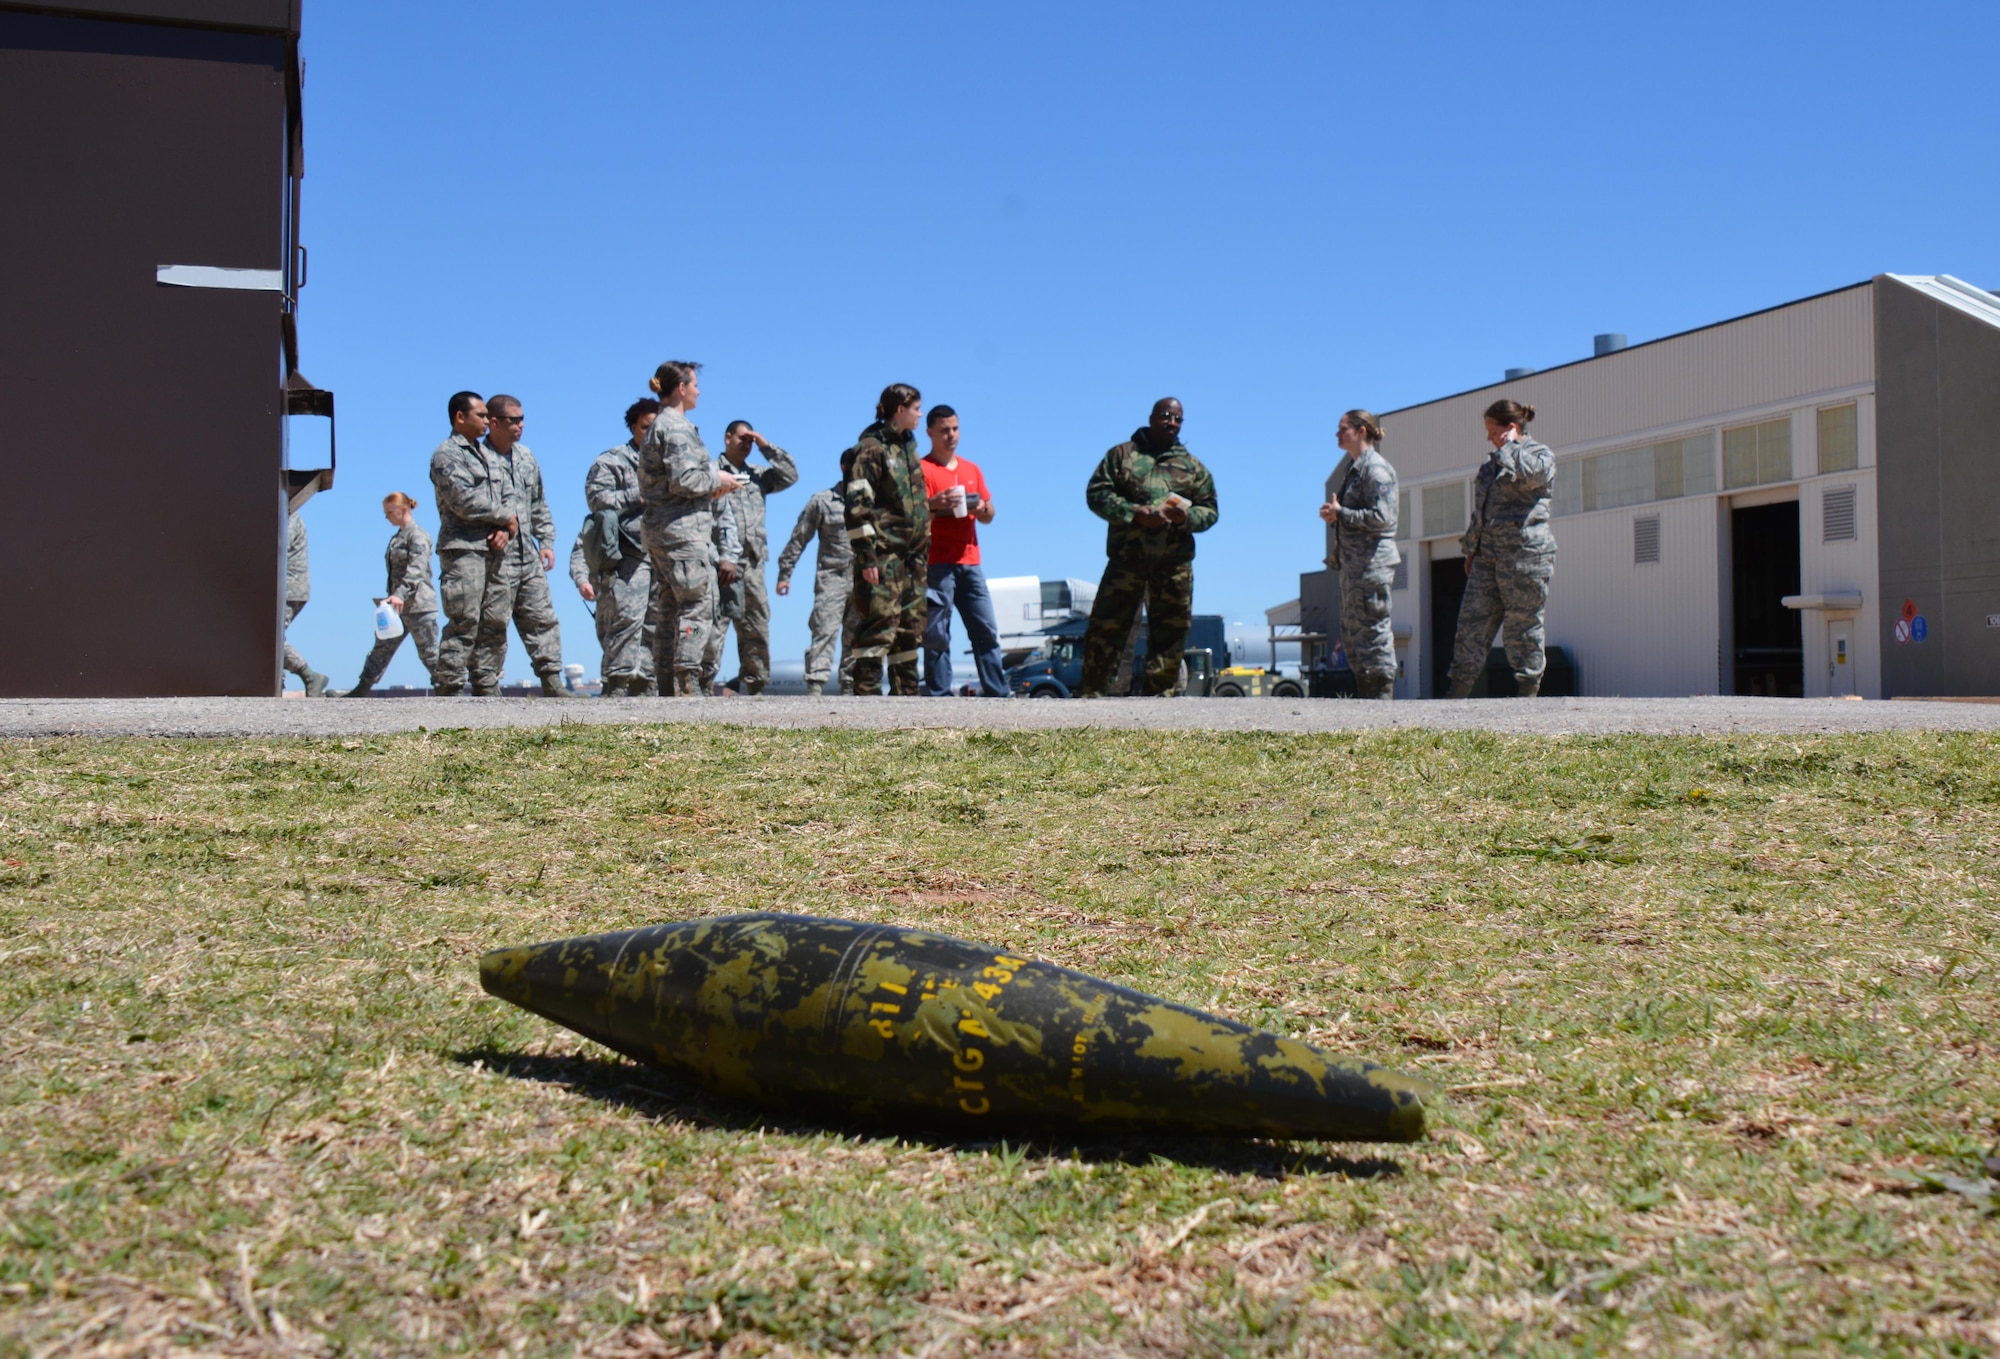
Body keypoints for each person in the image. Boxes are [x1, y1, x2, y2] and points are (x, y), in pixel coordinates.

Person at [1076, 397, 1218, 696]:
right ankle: (1093, 693)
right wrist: (1132, 512)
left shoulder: (1192, 468)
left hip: (1173, 564)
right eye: (1166, 416)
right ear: (1152, 417)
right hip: (1127, 561)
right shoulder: (1121, 456)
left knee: (1171, 631)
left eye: (1178, 419)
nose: (1172, 422)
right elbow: (1097, 494)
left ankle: (1159, 697)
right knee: (1107, 628)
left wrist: (1186, 517)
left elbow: (1211, 511)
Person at [638, 361, 744, 696]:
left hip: (664, 530)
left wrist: (714, 487)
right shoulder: (676, 427)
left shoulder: (663, 426)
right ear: (681, 388)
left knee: (669, 609)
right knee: (697, 605)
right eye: (695, 384)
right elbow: (684, 479)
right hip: (682, 533)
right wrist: (720, 479)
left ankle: (669, 685)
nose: (699, 390)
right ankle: (687, 684)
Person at [1446, 398, 1557, 698]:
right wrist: (1472, 549)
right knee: (1471, 625)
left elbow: (1534, 475)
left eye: (1493, 431)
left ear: (1510, 428)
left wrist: (1510, 447)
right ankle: (1456, 695)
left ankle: (1527, 696)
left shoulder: (1539, 454)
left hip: (1525, 558)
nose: (1488, 438)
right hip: (1488, 559)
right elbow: (1481, 511)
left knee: (1523, 628)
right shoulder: (1490, 465)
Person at [473, 394, 569, 695]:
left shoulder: (527, 457)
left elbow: (539, 503)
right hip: (495, 557)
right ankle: (486, 685)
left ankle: (552, 681)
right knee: (493, 622)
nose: (521, 425)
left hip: (528, 556)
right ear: (494, 422)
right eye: (514, 420)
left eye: (522, 419)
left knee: (542, 619)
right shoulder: (477, 458)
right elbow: (472, 505)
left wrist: (547, 541)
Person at [844, 383, 931, 695]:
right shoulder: (872, 446)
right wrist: (867, 557)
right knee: (879, 623)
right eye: (917, 408)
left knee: (910, 627)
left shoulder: (909, 447)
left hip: (913, 557)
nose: (920, 414)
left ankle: (906, 695)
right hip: (883, 555)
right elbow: (857, 504)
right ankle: (866, 696)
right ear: (900, 410)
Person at [917, 405, 1006, 696]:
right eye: (944, 430)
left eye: (955, 429)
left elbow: (990, 514)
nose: (951, 435)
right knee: (936, 633)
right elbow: (912, 516)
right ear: (930, 432)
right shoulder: (922, 469)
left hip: (971, 562)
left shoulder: (972, 469)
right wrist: (935, 503)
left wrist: (983, 507)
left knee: (985, 629)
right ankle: (939, 694)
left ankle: (998, 691)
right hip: (937, 562)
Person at [703, 420, 796, 694]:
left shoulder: (758, 475)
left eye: (750, 441)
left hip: (752, 562)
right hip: (719, 561)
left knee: (756, 623)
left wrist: (766, 446)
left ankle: (755, 685)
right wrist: (721, 555)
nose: (746, 444)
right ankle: (702, 682)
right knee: (714, 623)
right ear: (727, 437)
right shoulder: (711, 472)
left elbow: (790, 475)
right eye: (741, 438)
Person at [579, 398, 662, 696]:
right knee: (626, 618)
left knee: (657, 625)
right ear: (633, 427)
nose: (651, 435)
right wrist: (641, 492)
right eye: (645, 428)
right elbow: (598, 500)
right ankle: (616, 683)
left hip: (663, 554)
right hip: (628, 553)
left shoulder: (671, 465)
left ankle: (646, 684)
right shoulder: (611, 461)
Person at [1318, 410, 1400, 700]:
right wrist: (1336, 516)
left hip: (1372, 566)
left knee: (1373, 633)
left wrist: (1343, 513)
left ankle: (1382, 699)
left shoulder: (1375, 470)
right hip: (1355, 567)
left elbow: (1384, 517)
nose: (1337, 435)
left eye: (1343, 429)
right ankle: (1369, 699)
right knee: (1355, 636)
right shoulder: (1354, 469)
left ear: (1361, 431)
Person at [775, 456, 856, 698]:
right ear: (844, 467)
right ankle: (815, 686)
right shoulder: (823, 501)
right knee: (824, 630)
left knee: (857, 637)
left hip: (865, 581)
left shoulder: (874, 503)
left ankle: (851, 688)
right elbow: (799, 537)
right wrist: (785, 573)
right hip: (832, 578)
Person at [345, 492, 439, 696]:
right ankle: (361, 690)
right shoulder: (398, 538)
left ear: (403, 510)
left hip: (418, 606)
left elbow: (417, 569)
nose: (387, 517)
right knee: (381, 649)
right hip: (396, 607)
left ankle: (448, 693)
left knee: (430, 654)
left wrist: (401, 594)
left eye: (390, 512)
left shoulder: (418, 536)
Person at [282, 509, 329, 696]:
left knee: (270, 638)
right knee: (272, 637)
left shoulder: (289, 516)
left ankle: (309, 675)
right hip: (285, 589)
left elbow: (279, 545)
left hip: (289, 589)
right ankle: (282, 681)